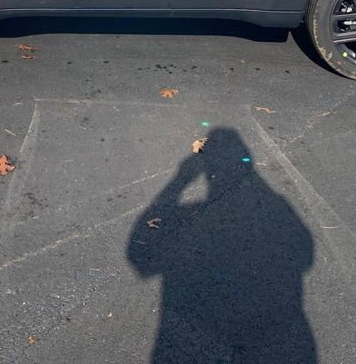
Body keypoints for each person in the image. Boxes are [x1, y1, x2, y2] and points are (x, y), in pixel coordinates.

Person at [128, 127, 317, 363]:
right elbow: (305, 253)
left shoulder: (270, 205)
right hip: (279, 324)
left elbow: (140, 256)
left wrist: (179, 181)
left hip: (193, 328)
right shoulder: (277, 205)